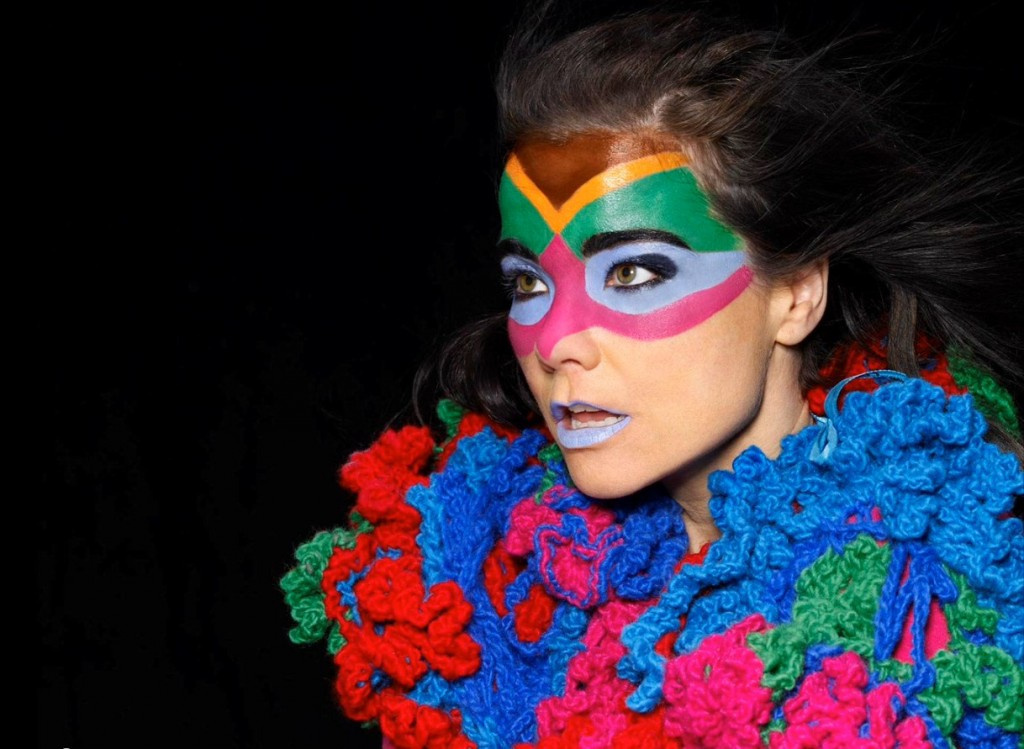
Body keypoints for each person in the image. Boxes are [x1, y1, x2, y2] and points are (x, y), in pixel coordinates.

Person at [281, 2, 1024, 747]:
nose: (556, 342)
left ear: (797, 293)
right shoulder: (483, 581)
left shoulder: (925, 612)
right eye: (529, 284)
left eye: (633, 272)